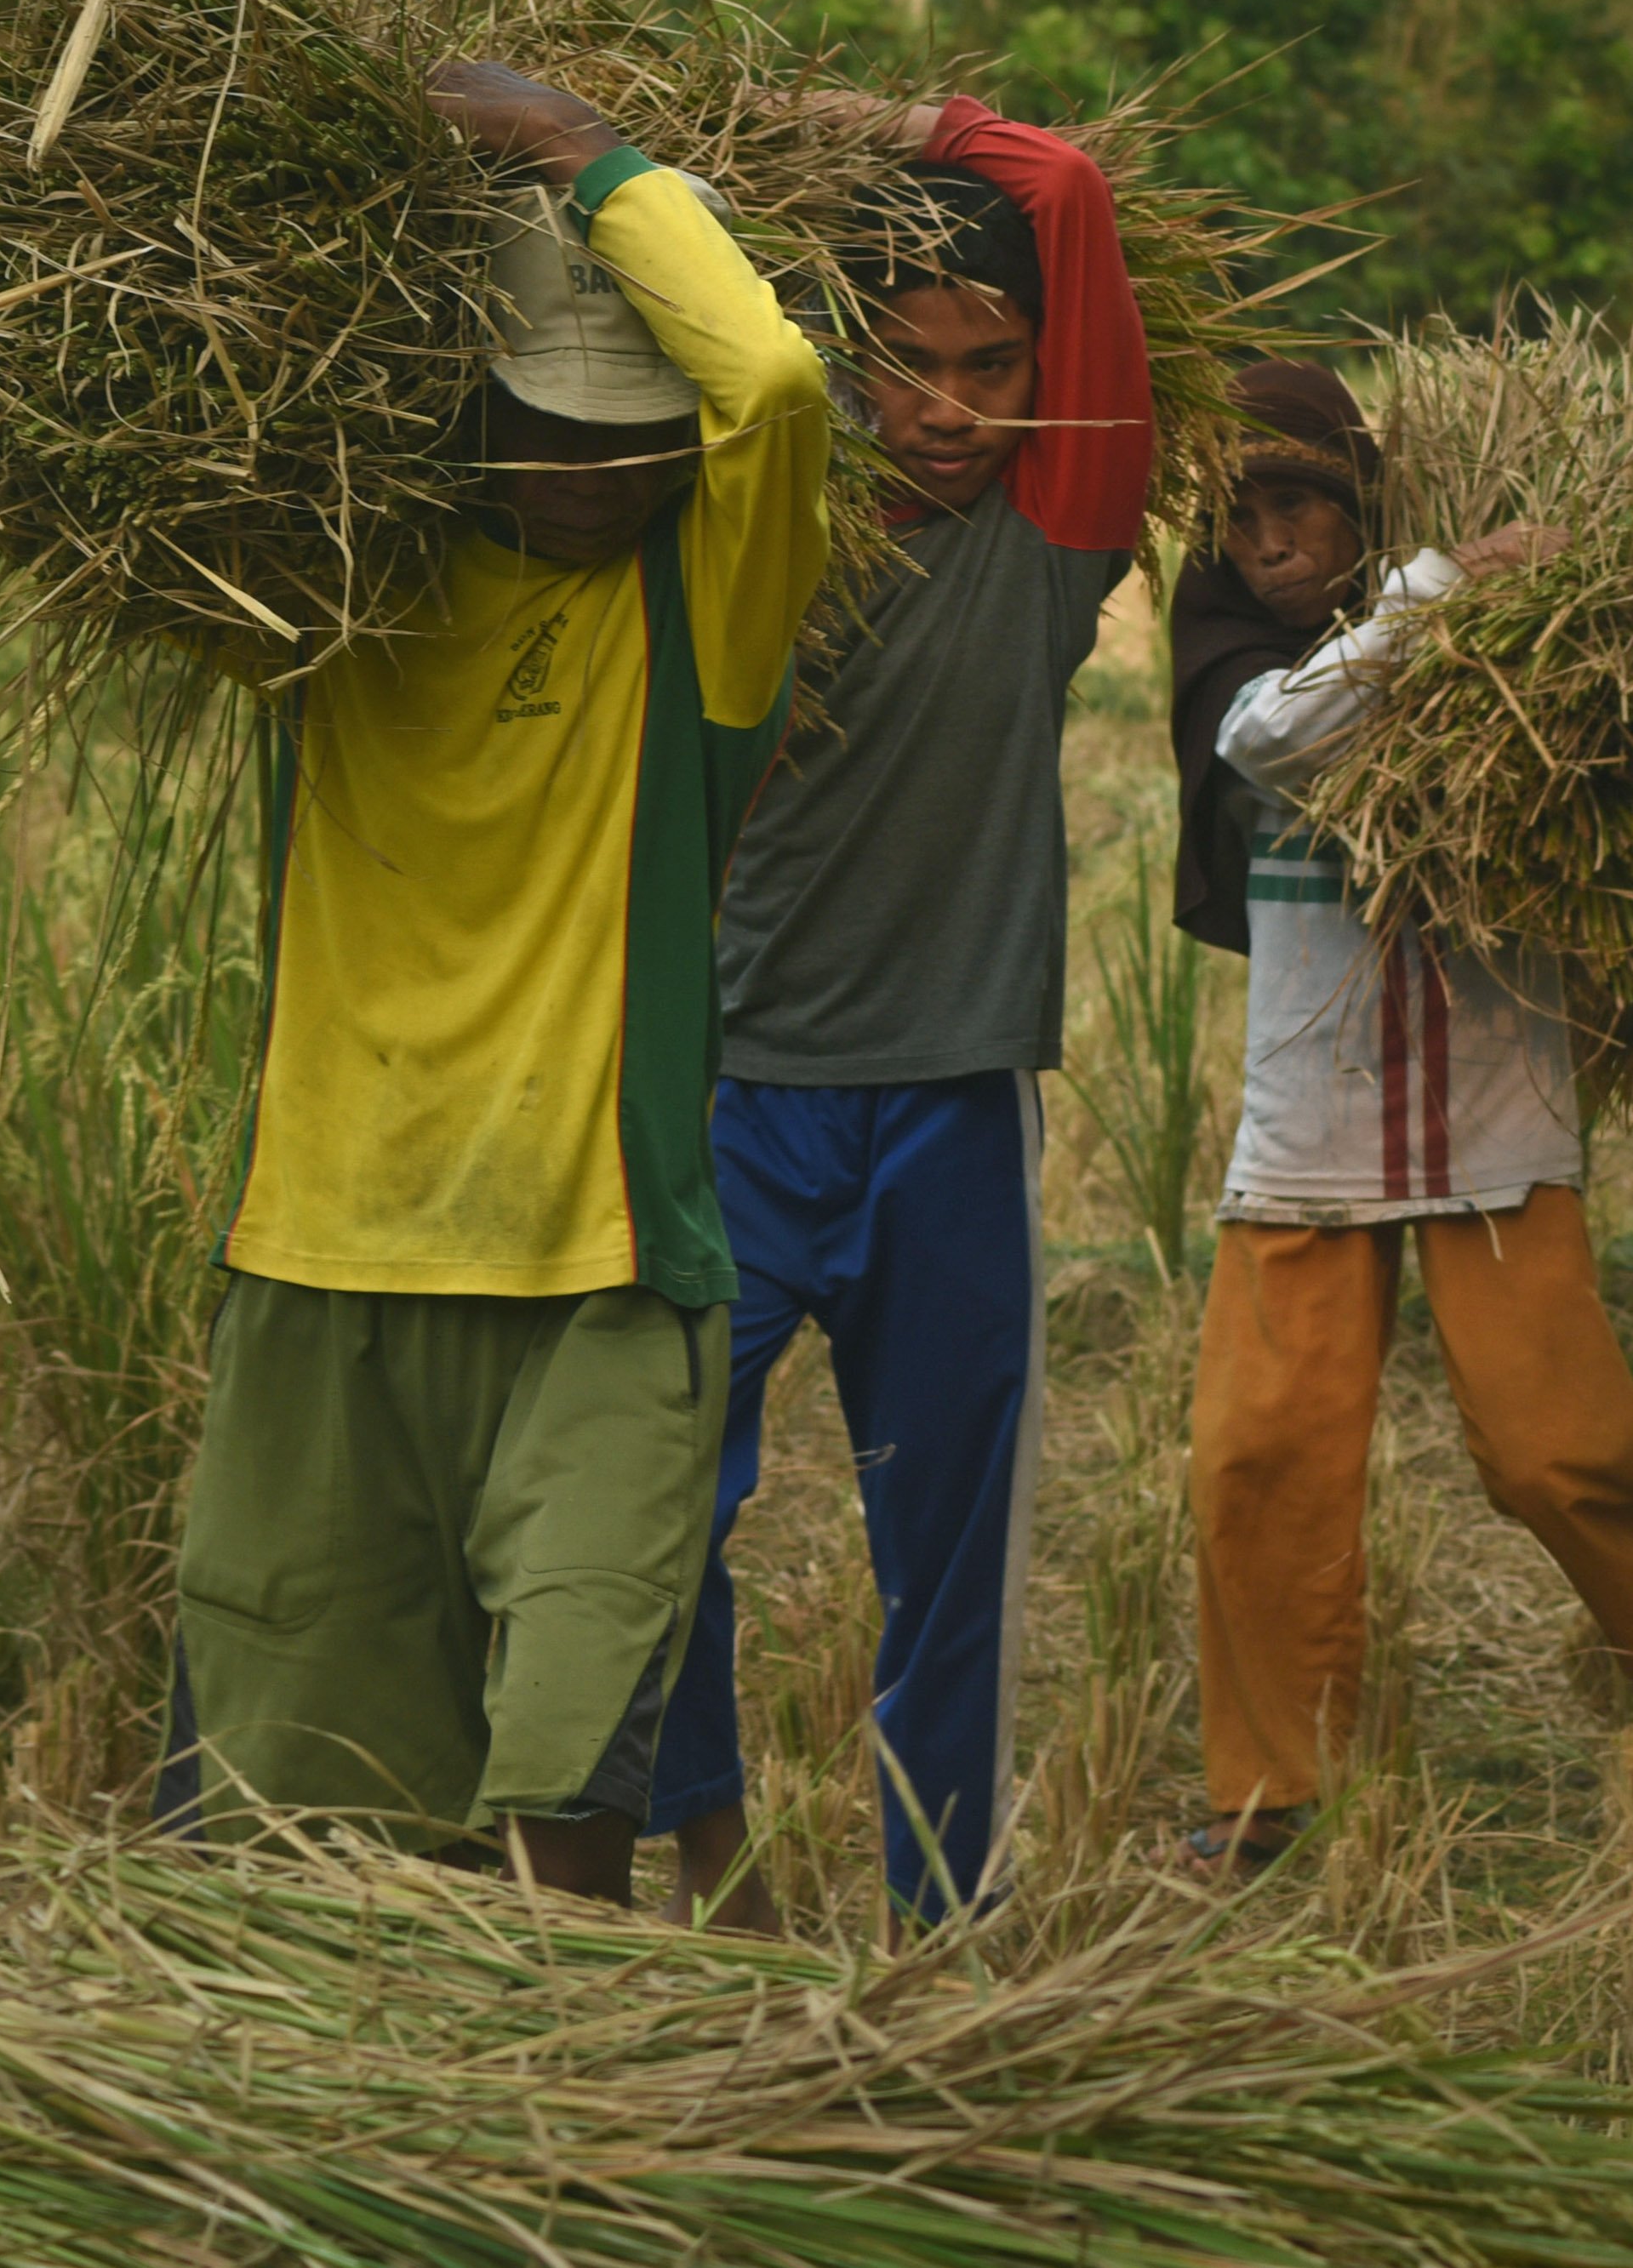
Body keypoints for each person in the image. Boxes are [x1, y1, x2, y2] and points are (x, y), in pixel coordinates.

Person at [157, 61, 831, 1906]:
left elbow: (769, 383)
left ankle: (566, 2123)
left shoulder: (699, 622)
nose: (612, 471)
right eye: (559, 427)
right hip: (325, 1260)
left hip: (598, 1279)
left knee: (567, 1795)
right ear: (466, 414)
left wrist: (578, 159)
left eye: (639, 437)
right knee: (313, 1822)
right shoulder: (324, 603)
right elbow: (160, 444)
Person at [1173, 361, 1633, 1870]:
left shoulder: (1506, 656)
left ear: (1362, 500)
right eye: (1240, 512)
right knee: (1259, 1458)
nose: (1266, 539)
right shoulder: (1255, 664)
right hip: (1310, 1135)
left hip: (1490, 1107)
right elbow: (1267, 742)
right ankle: (1272, 1793)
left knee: (1551, 1450)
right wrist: (1450, 588)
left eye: (1298, 504)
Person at [648, 96, 1154, 1930]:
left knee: (946, 1557)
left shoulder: (1052, 541)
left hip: (948, 1116)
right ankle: (706, 1845)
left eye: (992, 367)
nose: (950, 407)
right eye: (908, 365)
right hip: (736, 1105)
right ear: (842, 364)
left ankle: (943, 1919)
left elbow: (1071, 188)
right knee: (648, 1516)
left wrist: (897, 126)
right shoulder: (776, 519)